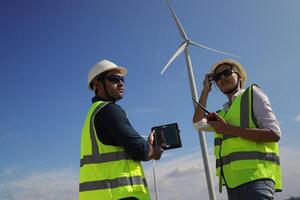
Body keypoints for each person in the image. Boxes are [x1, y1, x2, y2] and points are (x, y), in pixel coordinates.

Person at [193, 59, 282, 200]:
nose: (222, 78)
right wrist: (205, 90)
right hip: (232, 185)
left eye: (226, 73)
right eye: (217, 77)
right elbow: (198, 123)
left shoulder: (253, 94)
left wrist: (227, 129)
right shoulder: (223, 113)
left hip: (255, 180)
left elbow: (274, 134)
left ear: (239, 75)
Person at [79, 59, 164, 200]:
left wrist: (147, 145)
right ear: (97, 85)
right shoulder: (108, 110)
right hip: (120, 195)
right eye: (114, 79)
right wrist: (154, 151)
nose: (121, 83)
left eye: (122, 79)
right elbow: (141, 150)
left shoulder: (93, 114)